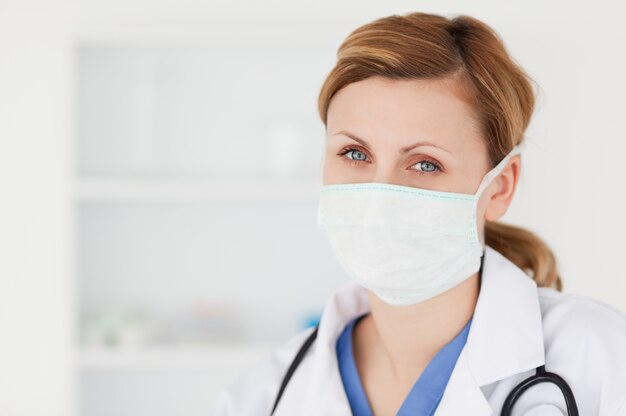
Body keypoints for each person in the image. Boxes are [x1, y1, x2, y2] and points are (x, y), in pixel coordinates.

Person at [213, 11, 626, 416]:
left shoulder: (598, 358)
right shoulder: (262, 397)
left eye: (425, 163)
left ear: (500, 187)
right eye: (354, 153)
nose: (380, 192)